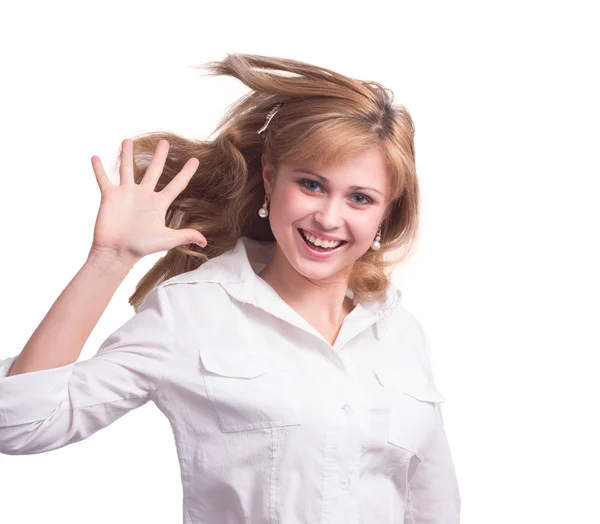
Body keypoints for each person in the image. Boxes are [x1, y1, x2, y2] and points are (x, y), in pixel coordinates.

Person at [0, 53, 461, 523]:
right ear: (270, 178)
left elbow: (432, 505)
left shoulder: (400, 332)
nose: (328, 218)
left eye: (360, 198)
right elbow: (20, 423)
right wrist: (110, 260)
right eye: (311, 184)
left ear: (386, 213)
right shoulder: (192, 312)